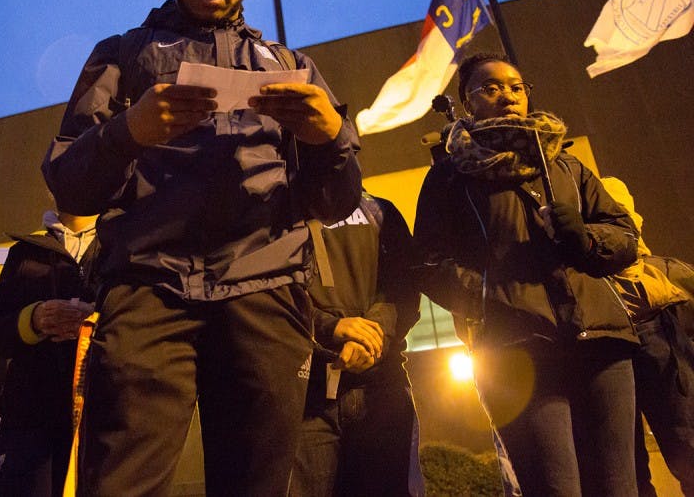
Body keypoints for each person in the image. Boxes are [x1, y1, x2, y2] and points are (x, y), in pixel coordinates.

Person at [41, 0, 362, 496]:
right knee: (122, 483)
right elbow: (69, 188)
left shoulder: (290, 67)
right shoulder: (122, 55)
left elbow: (334, 203)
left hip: (267, 295)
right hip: (147, 289)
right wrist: (127, 132)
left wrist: (332, 138)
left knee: (258, 485)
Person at [413, 51, 640, 496]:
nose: (508, 96)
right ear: (468, 100)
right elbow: (429, 262)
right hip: (515, 351)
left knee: (619, 487)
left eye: (516, 87)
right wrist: (487, 292)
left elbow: (625, 236)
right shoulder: (449, 177)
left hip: (601, 344)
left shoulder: (565, 163)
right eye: (491, 88)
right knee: (556, 487)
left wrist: (586, 238)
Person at [290, 191, 425, 496]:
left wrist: (374, 333)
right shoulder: (276, 215)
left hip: (380, 387)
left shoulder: (379, 210)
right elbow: (270, 297)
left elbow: (404, 287)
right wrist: (330, 328)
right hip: (306, 396)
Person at [0, 209, 98, 497]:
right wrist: (33, 319)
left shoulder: (122, 247)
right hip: (30, 420)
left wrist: (97, 322)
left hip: (100, 419)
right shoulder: (26, 252)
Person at [599, 177, 694, 497]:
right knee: (628, 467)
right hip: (626, 327)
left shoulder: (597, 186)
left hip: (627, 326)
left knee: (628, 466)